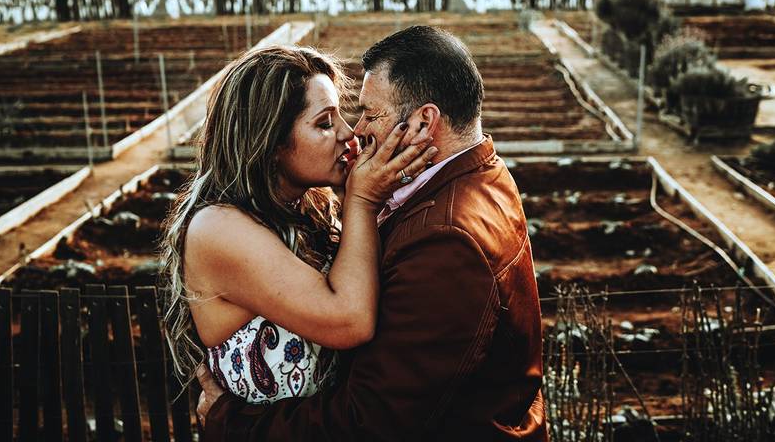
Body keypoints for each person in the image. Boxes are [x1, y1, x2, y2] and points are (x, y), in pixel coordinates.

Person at [196, 25, 548, 441]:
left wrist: (231, 423)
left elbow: (372, 423)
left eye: (369, 113)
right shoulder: (478, 176)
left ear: (423, 121)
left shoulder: (448, 239)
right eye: (329, 121)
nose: (356, 131)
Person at [160, 45, 437, 405]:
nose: (348, 133)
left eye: (340, 117)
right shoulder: (217, 229)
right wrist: (362, 200)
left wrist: (353, 196)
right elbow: (350, 320)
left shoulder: (308, 208)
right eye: (324, 123)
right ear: (271, 141)